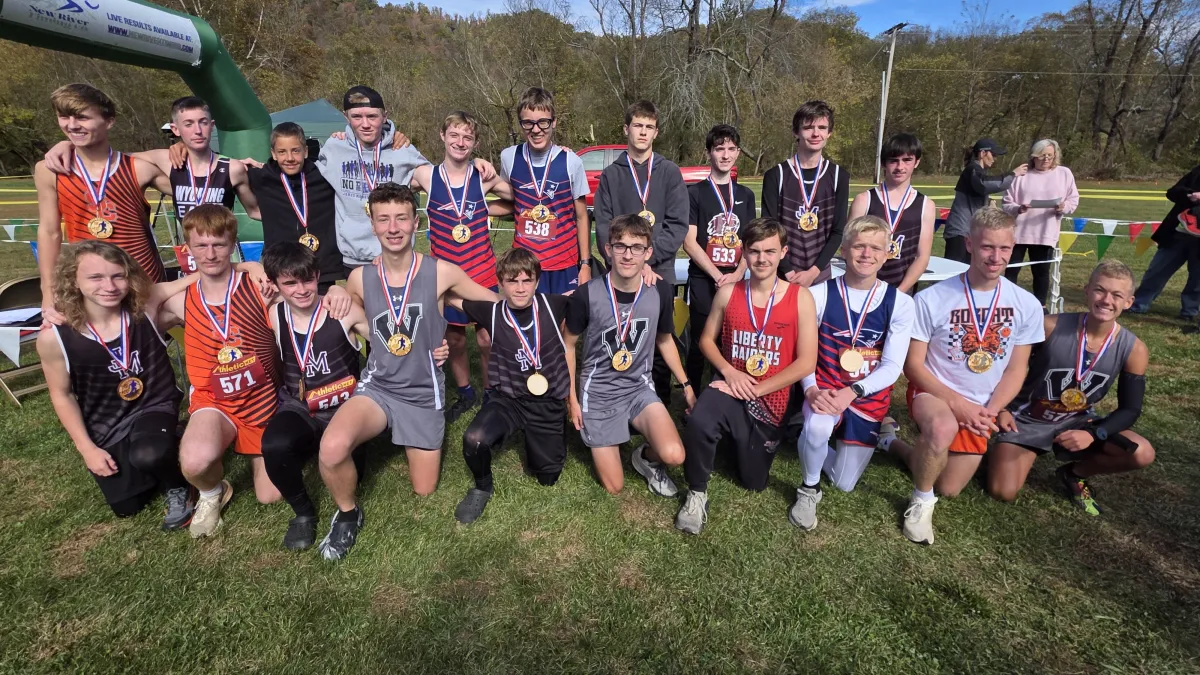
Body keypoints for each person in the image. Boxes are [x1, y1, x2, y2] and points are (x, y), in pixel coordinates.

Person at [317, 183, 498, 560]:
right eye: (384, 219)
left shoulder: (442, 272)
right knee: (331, 449)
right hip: (378, 388)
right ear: (372, 224)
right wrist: (335, 293)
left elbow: (490, 299)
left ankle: (396, 436)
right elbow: (350, 311)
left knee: (425, 489)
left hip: (423, 393)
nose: (393, 227)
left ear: (416, 222)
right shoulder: (358, 278)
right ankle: (347, 515)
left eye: (401, 217)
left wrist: (539, 307)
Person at [155, 205, 345, 538]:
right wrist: (209, 271)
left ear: (233, 243)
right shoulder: (179, 300)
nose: (211, 253)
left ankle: (290, 444)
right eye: (201, 246)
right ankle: (212, 493)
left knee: (270, 495)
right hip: (215, 402)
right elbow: (145, 299)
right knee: (196, 462)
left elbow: (304, 298)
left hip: (264, 401)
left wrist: (340, 290)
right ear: (187, 248)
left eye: (219, 244)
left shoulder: (259, 288)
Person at [889, 206, 1044, 544]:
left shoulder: (1026, 303)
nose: (996, 256)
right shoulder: (932, 298)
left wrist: (989, 411)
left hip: (985, 405)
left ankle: (892, 442)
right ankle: (920, 504)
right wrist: (958, 406)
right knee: (942, 429)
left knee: (950, 487)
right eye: (988, 247)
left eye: (1004, 248)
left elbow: (1018, 368)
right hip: (934, 394)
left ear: (1014, 246)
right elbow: (913, 366)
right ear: (970, 244)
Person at [675, 217, 817, 534]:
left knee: (753, 482)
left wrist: (760, 388)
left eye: (769, 251)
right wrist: (727, 371)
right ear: (744, 252)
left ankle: (733, 439)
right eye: (754, 251)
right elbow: (706, 341)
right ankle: (697, 493)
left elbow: (806, 362)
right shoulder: (728, 293)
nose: (762, 259)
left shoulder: (800, 298)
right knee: (699, 418)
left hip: (770, 399)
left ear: (783, 252)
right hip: (729, 385)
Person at [37, 241, 193, 529]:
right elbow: (62, 395)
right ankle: (176, 440)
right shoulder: (54, 338)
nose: (109, 286)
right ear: (73, 280)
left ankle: (178, 486)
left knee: (149, 454)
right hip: (108, 421)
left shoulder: (143, 307)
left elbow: (204, 275)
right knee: (128, 506)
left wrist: (248, 265)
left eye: (118, 276)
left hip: (154, 405)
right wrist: (87, 449)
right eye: (95, 277)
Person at [989, 261, 1154, 514]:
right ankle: (1009, 450)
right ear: (1087, 290)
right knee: (1003, 491)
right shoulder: (1049, 326)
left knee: (1141, 453)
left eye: (1117, 295)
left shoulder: (1134, 349)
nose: (1106, 300)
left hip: (1078, 422)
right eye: (1100, 290)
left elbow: (1130, 409)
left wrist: (1093, 434)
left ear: (1129, 302)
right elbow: (1003, 368)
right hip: (1026, 419)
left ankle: (1074, 473)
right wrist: (1001, 408)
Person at [790, 216, 915, 531]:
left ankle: (804, 435)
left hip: (863, 398)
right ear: (843, 250)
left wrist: (853, 392)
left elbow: (892, 367)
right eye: (859, 246)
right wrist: (811, 391)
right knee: (818, 428)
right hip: (825, 391)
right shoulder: (818, 294)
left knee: (844, 483)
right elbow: (804, 354)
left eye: (876, 247)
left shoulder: (900, 303)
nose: (866, 254)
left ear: (888, 253)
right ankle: (808, 488)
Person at [564, 214, 695, 496]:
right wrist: (572, 399)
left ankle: (644, 457)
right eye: (620, 246)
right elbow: (568, 346)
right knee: (614, 486)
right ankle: (604, 434)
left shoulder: (659, 289)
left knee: (674, 455)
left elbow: (665, 340)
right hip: (598, 392)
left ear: (648, 253)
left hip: (638, 387)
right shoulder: (585, 295)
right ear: (608, 249)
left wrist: (686, 385)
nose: (627, 254)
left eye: (636, 248)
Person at [446, 248, 572, 524]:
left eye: (527, 281)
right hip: (509, 399)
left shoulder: (554, 305)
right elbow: (450, 297)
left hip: (547, 401)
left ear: (537, 282)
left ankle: (543, 436)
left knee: (547, 478)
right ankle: (482, 486)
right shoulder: (491, 311)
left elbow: (597, 292)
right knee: (474, 440)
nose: (520, 288)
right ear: (500, 283)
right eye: (512, 281)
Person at [316, 86, 497, 275]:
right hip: (352, 258)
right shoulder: (334, 148)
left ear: (385, 116)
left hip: (396, 257)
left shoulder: (403, 150)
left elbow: (443, 178)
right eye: (356, 117)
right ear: (346, 117)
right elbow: (305, 178)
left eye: (372, 116)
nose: (365, 124)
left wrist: (474, 162)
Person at [36, 84, 174, 324]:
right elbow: (49, 232)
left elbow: (200, 188)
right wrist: (48, 292)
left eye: (82, 117)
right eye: (63, 117)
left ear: (109, 121)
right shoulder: (50, 171)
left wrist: (184, 148)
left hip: (141, 282)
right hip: (88, 285)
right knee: (94, 355)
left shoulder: (139, 168)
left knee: (147, 356)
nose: (71, 125)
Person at [410, 111, 513, 423]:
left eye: (467, 137)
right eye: (454, 135)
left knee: (485, 338)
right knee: (454, 339)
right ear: (442, 136)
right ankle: (466, 392)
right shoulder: (425, 176)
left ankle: (491, 393)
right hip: (444, 277)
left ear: (475, 143)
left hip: (480, 272)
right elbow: (397, 186)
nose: (460, 142)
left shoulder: (482, 177)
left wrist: (493, 187)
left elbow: (518, 199)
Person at [592, 100, 689, 405]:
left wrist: (648, 259)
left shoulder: (670, 172)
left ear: (655, 132)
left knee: (662, 335)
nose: (643, 132)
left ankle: (657, 399)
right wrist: (630, 264)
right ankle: (618, 396)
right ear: (626, 129)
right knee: (620, 334)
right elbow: (604, 227)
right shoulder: (611, 175)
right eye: (637, 125)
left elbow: (677, 225)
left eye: (648, 127)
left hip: (661, 271)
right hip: (621, 273)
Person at [45, 95, 262, 223]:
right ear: (176, 129)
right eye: (188, 124)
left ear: (211, 125)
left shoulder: (233, 168)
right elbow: (110, 157)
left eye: (203, 122)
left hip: (224, 252)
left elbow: (255, 211)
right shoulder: (163, 159)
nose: (197, 130)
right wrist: (69, 144)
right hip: (187, 254)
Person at [682, 123, 756, 388]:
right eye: (719, 148)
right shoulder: (695, 193)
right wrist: (716, 275)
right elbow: (689, 242)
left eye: (731, 149)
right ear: (709, 153)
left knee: (733, 338)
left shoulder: (745, 195)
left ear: (737, 152)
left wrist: (736, 275)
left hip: (736, 278)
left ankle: (727, 389)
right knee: (702, 338)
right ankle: (693, 396)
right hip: (704, 278)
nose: (726, 155)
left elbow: (751, 242)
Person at [499, 87, 593, 294]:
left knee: (565, 324)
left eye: (543, 122)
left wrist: (585, 264)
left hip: (563, 263)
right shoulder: (508, 157)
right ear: (521, 124)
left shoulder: (571, 161)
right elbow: (512, 201)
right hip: (524, 265)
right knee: (527, 323)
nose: (536, 129)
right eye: (528, 123)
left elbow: (581, 217)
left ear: (554, 122)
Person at [760, 100, 851, 286]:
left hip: (820, 273)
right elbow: (770, 229)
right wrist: (787, 270)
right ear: (796, 132)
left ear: (829, 133)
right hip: (781, 272)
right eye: (808, 127)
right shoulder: (775, 175)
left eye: (822, 127)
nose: (816, 133)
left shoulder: (838, 176)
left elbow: (838, 231)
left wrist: (814, 271)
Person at [246, 123, 343, 292]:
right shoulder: (262, 177)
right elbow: (215, 165)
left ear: (305, 151)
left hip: (320, 270)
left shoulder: (325, 176)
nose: (289, 158)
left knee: (322, 317)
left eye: (296, 150)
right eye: (282, 152)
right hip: (278, 269)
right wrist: (183, 146)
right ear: (273, 154)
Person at [847, 133, 936, 293]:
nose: (900, 167)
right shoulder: (864, 200)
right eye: (894, 161)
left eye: (907, 160)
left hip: (902, 291)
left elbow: (922, 257)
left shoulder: (926, 205)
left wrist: (899, 292)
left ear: (917, 162)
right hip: (861, 289)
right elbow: (849, 247)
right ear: (883, 163)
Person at [1002, 138, 1080, 308]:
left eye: (1050, 156)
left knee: (1041, 272)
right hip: (1019, 232)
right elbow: (1006, 203)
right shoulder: (1021, 175)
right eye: (1042, 155)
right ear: (1034, 156)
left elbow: (1073, 200)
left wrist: (1063, 207)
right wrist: (1018, 208)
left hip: (1045, 233)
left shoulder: (1064, 173)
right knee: (1012, 270)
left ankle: (1040, 307)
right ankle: (1007, 304)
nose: (1046, 159)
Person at [1130, 163, 1200, 320]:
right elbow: (1172, 192)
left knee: (1197, 280)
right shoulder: (1197, 171)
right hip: (1177, 234)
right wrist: (1190, 194)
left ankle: (1189, 312)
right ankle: (1139, 304)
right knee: (1156, 271)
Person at [943, 138, 1028, 264]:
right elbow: (985, 184)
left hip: (969, 231)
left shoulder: (977, 171)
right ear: (983, 153)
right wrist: (1013, 174)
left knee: (968, 271)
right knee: (953, 272)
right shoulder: (972, 169)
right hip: (960, 231)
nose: (995, 159)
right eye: (993, 154)